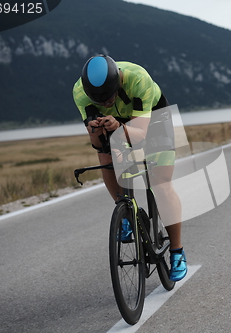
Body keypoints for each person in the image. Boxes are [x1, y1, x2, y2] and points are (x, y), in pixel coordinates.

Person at [72, 54, 187, 282]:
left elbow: (140, 135)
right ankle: (124, 212)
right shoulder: (79, 93)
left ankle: (177, 252)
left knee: (161, 184)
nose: (105, 104)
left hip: (152, 118)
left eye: (109, 98)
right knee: (106, 156)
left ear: (118, 82)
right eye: (99, 101)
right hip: (115, 122)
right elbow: (97, 145)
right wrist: (95, 132)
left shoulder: (138, 79)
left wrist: (119, 126)